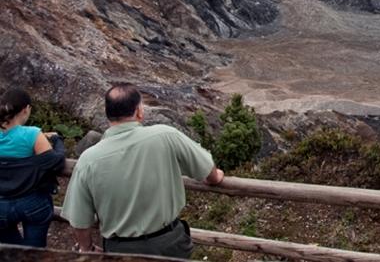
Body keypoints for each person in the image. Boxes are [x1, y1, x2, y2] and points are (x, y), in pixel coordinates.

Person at [62, 83, 224, 258]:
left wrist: (88, 249)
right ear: (139, 111)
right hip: (168, 244)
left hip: (120, 249)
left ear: (108, 114)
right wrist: (215, 177)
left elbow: (78, 220)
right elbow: (209, 171)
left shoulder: (87, 160)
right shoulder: (165, 135)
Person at [0, 86, 66, 248]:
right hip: (33, 202)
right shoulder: (31, 134)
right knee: (34, 250)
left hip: (1, 205)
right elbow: (56, 163)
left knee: (11, 250)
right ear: (26, 109)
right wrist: (58, 140)